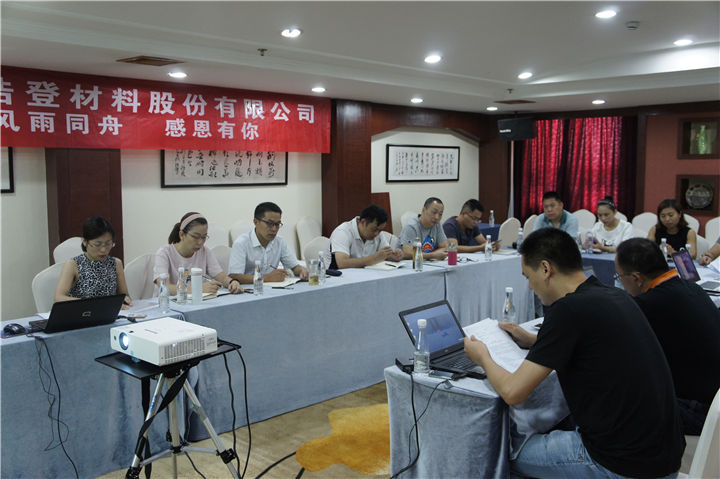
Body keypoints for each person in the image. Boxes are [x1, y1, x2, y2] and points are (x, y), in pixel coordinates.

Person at [464, 228, 684, 479]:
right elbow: (592, 343)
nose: (531, 286)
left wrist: (482, 356)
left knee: (499, 450)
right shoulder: (613, 295)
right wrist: (536, 340)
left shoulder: (567, 310)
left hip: (622, 464)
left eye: (528, 277)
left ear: (545, 269)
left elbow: (513, 392)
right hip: (663, 456)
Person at [615, 238, 720, 435]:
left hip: (699, 413)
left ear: (637, 278)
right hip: (714, 402)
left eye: (619, 276)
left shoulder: (648, 305)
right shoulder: (691, 287)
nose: (620, 282)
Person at [154, 212, 243, 295]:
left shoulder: (205, 252)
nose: (200, 242)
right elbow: (164, 287)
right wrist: (197, 289)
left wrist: (232, 282)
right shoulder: (164, 253)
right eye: (195, 237)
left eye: (204, 237)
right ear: (181, 235)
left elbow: (222, 277)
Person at [54, 216, 132, 308]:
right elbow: (58, 298)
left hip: (109, 314)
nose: (103, 250)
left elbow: (125, 296)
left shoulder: (115, 263)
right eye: (97, 245)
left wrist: (124, 300)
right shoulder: (73, 264)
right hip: (83, 313)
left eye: (108, 244)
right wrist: (97, 304)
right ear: (85, 242)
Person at [228, 202, 308, 283]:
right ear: (256, 222)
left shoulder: (279, 241)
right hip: (250, 289)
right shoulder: (241, 243)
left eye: (277, 224)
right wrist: (266, 278)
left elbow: (294, 267)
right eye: (269, 223)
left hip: (274, 287)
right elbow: (234, 276)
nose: (274, 229)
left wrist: (302, 270)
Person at [328, 204, 403, 269]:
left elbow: (385, 255)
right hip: (336, 276)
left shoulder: (378, 233)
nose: (377, 234)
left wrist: (394, 256)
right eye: (374, 230)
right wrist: (374, 258)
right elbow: (342, 263)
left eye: (380, 230)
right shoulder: (343, 231)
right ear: (363, 222)